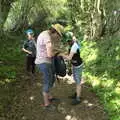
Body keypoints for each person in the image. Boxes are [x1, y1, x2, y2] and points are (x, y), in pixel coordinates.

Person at [35, 24, 64, 110]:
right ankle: (46, 104)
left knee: (52, 79)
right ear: (55, 32)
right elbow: (50, 54)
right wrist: (59, 53)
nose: (58, 37)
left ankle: (49, 96)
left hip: (46, 61)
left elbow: (51, 49)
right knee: (47, 81)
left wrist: (59, 50)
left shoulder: (45, 34)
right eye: (58, 35)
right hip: (43, 62)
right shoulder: (47, 38)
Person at [61, 32, 83, 105]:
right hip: (74, 65)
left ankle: (78, 98)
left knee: (78, 82)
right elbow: (69, 55)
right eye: (67, 41)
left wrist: (61, 55)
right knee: (76, 80)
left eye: (69, 41)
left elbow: (69, 57)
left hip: (78, 66)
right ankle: (77, 94)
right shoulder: (71, 46)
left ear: (72, 40)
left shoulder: (74, 46)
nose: (68, 42)